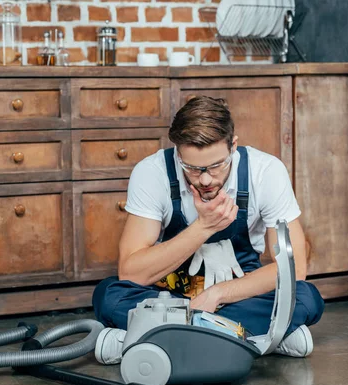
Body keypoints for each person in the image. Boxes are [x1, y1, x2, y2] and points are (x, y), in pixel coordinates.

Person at [92, 96, 325, 365]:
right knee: (108, 295)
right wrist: (202, 228)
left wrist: (218, 294)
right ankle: (260, 338)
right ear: (178, 153)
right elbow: (131, 272)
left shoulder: (265, 171)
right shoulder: (152, 172)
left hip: (237, 295)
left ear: (233, 146)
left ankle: (143, 340)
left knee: (306, 297)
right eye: (191, 168)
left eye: (216, 166)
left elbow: (293, 268)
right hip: (172, 299)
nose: (204, 179)